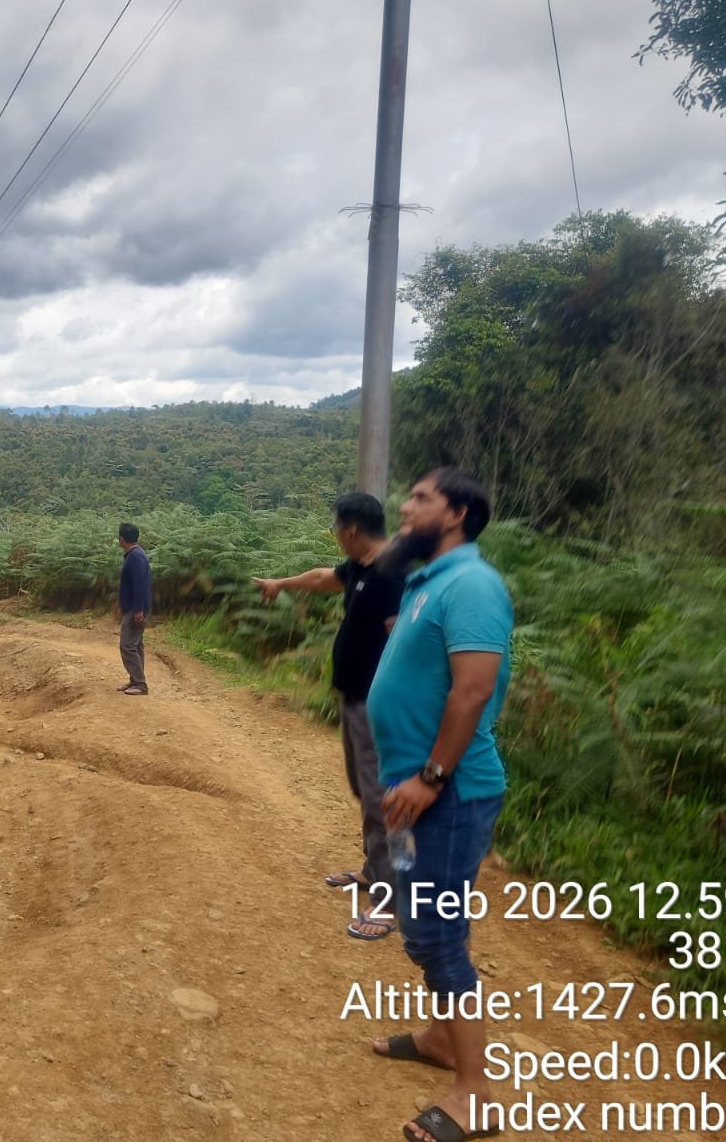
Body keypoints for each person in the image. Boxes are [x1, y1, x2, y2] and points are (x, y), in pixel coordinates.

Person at [365, 468, 512, 1142]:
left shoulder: (475, 584)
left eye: (420, 497)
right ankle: (438, 1038)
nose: (405, 503)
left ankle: (475, 1091)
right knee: (418, 923)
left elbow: (473, 691)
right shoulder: (433, 581)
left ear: (454, 512)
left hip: (447, 796)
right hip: (411, 795)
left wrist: (429, 777)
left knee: (438, 935)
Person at [252, 491, 405, 941]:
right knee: (364, 788)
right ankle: (375, 871)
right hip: (354, 698)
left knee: (382, 797)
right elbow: (324, 577)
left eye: (336, 528)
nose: (335, 536)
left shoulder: (391, 571)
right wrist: (282, 583)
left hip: (378, 705)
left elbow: (401, 640)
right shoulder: (361, 565)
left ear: (352, 530)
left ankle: (393, 899)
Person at [116, 522, 152, 695]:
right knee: (136, 645)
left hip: (136, 609)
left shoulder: (135, 557)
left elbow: (139, 586)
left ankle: (140, 684)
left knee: (127, 645)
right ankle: (135, 680)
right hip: (134, 607)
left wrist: (138, 610)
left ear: (121, 538)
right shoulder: (135, 554)